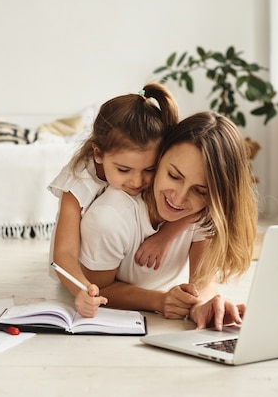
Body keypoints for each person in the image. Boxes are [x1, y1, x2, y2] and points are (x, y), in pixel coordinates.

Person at [78, 111, 258, 330]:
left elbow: (202, 280)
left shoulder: (206, 210)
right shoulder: (109, 218)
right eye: (174, 176)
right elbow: (98, 289)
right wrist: (160, 301)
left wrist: (202, 305)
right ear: (159, 157)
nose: (179, 198)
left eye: (200, 190)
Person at [48, 83, 190, 318]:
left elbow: (202, 205)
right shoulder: (77, 182)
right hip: (82, 269)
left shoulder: (160, 169)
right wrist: (83, 289)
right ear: (98, 154)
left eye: (149, 169)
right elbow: (64, 253)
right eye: (124, 170)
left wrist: (166, 236)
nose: (137, 181)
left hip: (122, 259)